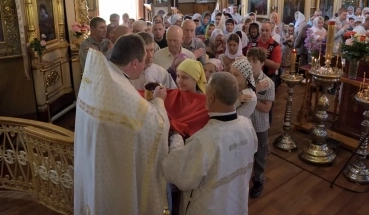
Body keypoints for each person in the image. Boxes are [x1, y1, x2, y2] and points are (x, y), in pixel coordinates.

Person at [74, 34, 170, 215]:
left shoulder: (100, 77)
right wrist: (159, 102)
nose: (143, 68)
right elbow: (157, 126)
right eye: (143, 62)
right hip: (112, 178)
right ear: (134, 63)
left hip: (93, 166)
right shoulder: (122, 92)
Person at [161, 72, 257, 215]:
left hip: (209, 207)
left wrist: (176, 136)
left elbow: (177, 173)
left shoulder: (203, 140)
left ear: (211, 97)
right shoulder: (248, 126)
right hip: (237, 202)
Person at [247, 47, 275, 198]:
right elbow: (238, 97)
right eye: (249, 61)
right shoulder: (245, 79)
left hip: (259, 125)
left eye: (254, 61)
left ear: (262, 63)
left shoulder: (268, 83)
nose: (251, 64)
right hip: (245, 123)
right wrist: (253, 92)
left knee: (260, 156)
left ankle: (258, 180)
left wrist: (250, 96)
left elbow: (266, 108)